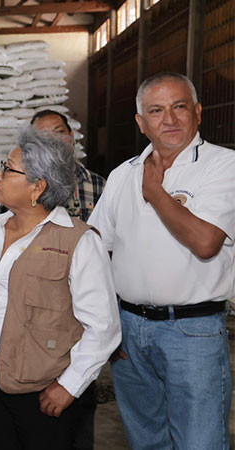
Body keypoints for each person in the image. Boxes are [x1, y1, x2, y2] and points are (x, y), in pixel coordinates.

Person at [0, 127, 121, 449]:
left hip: (44, 394)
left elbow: (103, 327)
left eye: (8, 169)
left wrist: (69, 386)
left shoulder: (78, 242)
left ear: (38, 186)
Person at [88, 72, 235, 450]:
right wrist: (107, 324)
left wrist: (155, 192)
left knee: (199, 442)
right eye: (156, 110)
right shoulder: (124, 174)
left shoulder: (222, 165)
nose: (169, 119)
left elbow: (205, 242)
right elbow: (94, 250)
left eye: (179, 106)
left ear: (198, 112)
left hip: (192, 332)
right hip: (128, 328)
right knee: (146, 440)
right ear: (141, 122)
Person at [0, 110, 106, 223]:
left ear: (71, 135)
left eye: (59, 132)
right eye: (43, 137)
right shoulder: (15, 189)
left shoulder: (97, 185)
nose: (54, 141)